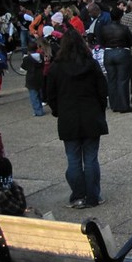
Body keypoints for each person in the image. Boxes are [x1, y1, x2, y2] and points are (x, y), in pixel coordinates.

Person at [47, 29, 109, 209]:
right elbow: (102, 90)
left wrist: (58, 110)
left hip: (69, 116)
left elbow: (50, 94)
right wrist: (100, 109)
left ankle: (78, 196)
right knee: (90, 159)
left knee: (73, 159)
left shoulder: (56, 67)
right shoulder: (91, 64)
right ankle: (93, 196)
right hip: (90, 114)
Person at [98, 8, 132, 114]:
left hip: (109, 53)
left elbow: (101, 41)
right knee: (122, 80)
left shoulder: (104, 28)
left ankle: (114, 104)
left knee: (111, 79)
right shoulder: (124, 28)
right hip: (122, 52)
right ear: (120, 17)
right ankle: (124, 105)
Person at [21, 40, 45, 116]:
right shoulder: (41, 56)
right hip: (40, 77)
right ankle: (40, 108)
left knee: (33, 96)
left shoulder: (26, 59)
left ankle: (38, 111)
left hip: (31, 79)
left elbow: (23, 68)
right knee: (39, 94)